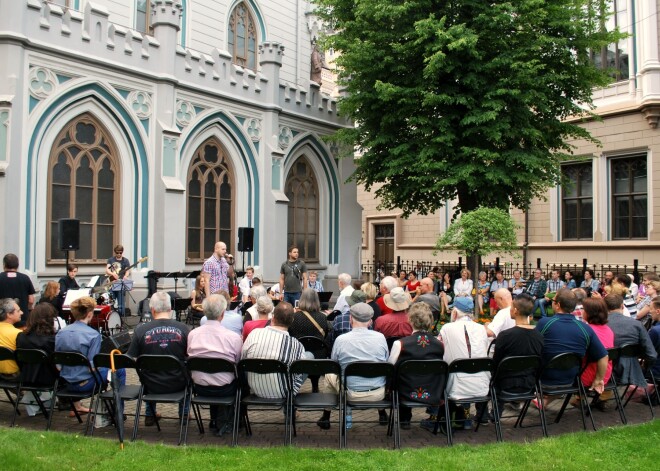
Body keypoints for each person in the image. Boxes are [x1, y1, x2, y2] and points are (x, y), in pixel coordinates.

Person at [318, 302, 389, 430]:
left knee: (329, 375)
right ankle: (382, 412)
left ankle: (326, 416)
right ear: (370, 321)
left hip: (350, 393)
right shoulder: (381, 338)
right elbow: (386, 361)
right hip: (378, 393)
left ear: (351, 318)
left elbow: (334, 365)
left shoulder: (341, 340)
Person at [56, 296, 126, 415]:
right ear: (89, 314)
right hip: (85, 384)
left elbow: (58, 365)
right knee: (119, 369)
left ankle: (77, 406)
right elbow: (92, 367)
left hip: (65, 384)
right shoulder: (93, 335)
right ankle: (118, 411)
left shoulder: (61, 333)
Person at [127, 291, 190, 425]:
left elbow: (131, 357)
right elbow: (190, 356)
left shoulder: (140, 330)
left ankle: (150, 415)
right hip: (178, 382)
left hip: (150, 384)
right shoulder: (184, 329)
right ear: (170, 309)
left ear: (152, 310)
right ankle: (184, 414)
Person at [187, 294, 243, 436]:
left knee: (213, 372)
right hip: (225, 388)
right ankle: (230, 421)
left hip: (200, 388)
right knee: (239, 378)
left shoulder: (193, 334)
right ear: (223, 314)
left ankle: (217, 420)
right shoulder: (233, 338)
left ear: (204, 312)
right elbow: (238, 363)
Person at [535, 288, 608, 396]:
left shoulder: (544, 323)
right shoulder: (585, 328)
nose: (551, 303)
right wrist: (598, 379)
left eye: (553, 301)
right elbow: (603, 356)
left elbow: (533, 347)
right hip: (571, 381)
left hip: (543, 380)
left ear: (558, 305)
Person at [388, 303, 444, 430]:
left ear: (410, 321)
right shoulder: (439, 344)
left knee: (400, 375)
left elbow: (390, 368)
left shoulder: (400, 344)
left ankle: (405, 420)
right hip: (433, 391)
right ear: (430, 322)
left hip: (405, 392)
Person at [440, 296, 490, 429]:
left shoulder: (447, 328)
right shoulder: (481, 329)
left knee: (444, 371)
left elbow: (441, 349)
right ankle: (463, 417)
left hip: (455, 387)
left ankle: (446, 418)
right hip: (482, 386)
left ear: (455, 312)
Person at [241, 302, 308, 399]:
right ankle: (290, 401)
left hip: (255, 389)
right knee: (308, 357)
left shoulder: (254, 334)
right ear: (292, 321)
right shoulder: (297, 345)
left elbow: (243, 359)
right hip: (284, 392)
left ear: (273, 317)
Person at [491, 295, 544, 417]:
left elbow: (496, 363)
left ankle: (494, 413)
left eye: (511, 307)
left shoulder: (505, 336)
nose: (510, 309)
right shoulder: (539, 337)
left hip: (505, 384)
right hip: (529, 384)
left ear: (515, 310)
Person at [603, 293, 657, 392]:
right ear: (622, 306)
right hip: (632, 370)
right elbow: (651, 354)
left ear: (604, 307)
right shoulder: (636, 324)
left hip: (605, 371)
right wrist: (645, 366)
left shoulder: (600, 325)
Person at [578, 297, 614, 409]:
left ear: (589, 313)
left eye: (583, 309)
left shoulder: (586, 330)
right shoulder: (608, 329)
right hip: (606, 374)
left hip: (589, 376)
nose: (581, 311)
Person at [16, 303, 59, 387]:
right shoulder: (51, 340)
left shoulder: (21, 337)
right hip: (49, 379)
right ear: (50, 320)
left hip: (26, 377)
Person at [0, 253, 36, 327]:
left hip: (3, 321)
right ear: (17, 265)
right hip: (22, 320)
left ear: (4, 264)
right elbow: (31, 300)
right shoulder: (25, 278)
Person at [0, 298, 22, 382]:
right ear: (9, 314)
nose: (22, 312)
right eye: (18, 311)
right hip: (14, 376)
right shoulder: (18, 334)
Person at [106, 244, 131, 317]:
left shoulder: (125, 260)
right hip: (112, 283)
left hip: (120, 283)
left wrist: (126, 276)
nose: (119, 254)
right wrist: (113, 274)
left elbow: (127, 270)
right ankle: (111, 317)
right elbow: (107, 270)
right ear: (115, 252)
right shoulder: (111, 260)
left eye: (120, 253)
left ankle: (121, 319)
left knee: (121, 303)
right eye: (117, 253)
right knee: (111, 302)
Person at [646, 296, 660, 405]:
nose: (650, 311)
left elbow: (646, 352)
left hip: (655, 371)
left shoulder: (655, 331)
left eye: (651, 308)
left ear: (658, 311)